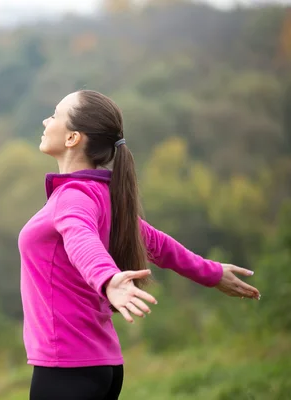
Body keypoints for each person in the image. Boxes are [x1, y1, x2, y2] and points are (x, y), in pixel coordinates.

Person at [17, 90, 261, 400]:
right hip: (101, 366)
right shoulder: (99, 195)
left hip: (67, 368)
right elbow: (157, 243)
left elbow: (82, 241)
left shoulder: (74, 198)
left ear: (72, 138)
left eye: (54, 114)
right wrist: (210, 272)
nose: (45, 120)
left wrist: (107, 278)